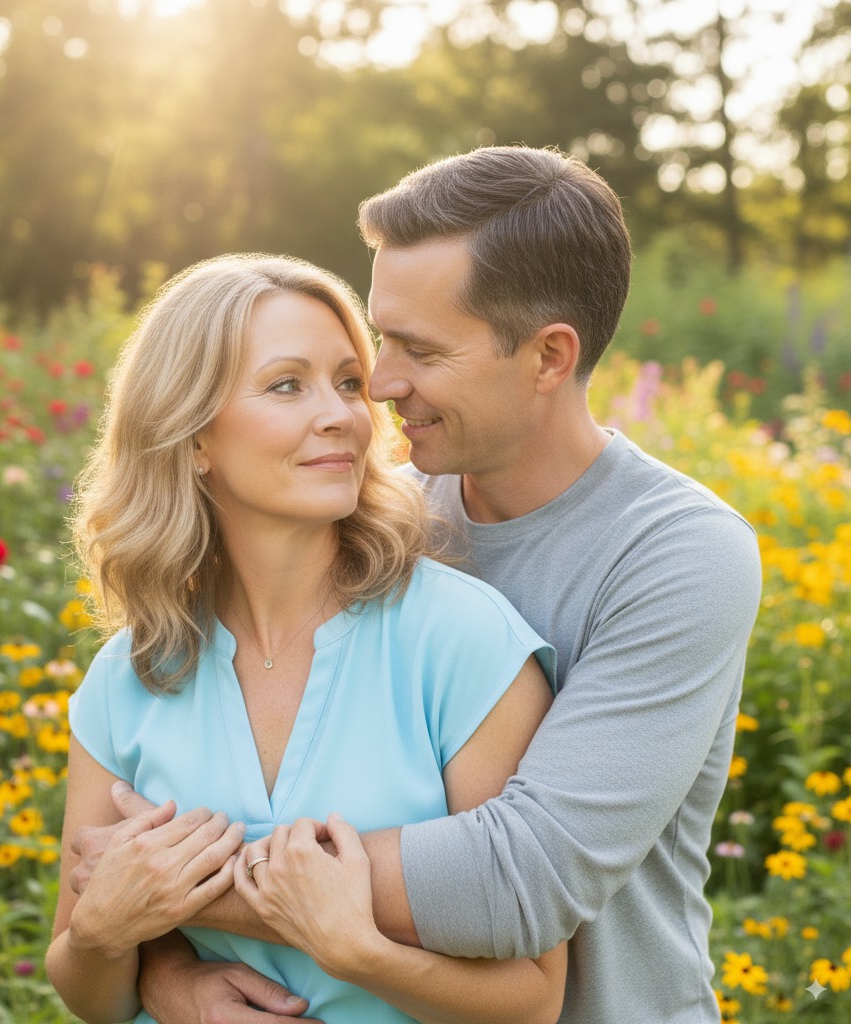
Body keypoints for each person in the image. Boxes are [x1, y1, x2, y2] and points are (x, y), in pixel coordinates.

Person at [71, 146, 763, 1024]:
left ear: (549, 356)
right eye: (380, 340)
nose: (383, 385)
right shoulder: (381, 519)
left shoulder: (677, 554)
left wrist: (159, 890)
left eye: (420, 349)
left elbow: (517, 877)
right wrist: (161, 970)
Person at [45, 252, 568, 1024]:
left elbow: (533, 999)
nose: (343, 415)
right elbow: (82, 978)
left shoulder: (462, 641)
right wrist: (118, 947)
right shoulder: (127, 676)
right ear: (193, 438)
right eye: (288, 384)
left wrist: (357, 951)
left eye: (349, 382)